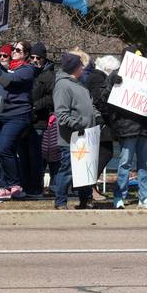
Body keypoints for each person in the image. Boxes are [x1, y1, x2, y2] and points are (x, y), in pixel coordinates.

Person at [98, 46, 147, 209]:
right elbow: (102, 98)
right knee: (125, 162)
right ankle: (119, 197)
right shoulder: (115, 75)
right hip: (126, 126)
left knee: (145, 164)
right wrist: (113, 86)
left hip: (145, 126)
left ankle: (145, 196)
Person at [0, 41, 36, 200]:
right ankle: (2, 186)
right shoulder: (8, 67)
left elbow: (9, 80)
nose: (13, 52)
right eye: (13, 49)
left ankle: (15, 185)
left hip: (18, 116)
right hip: (1, 114)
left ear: (26, 54)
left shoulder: (27, 70)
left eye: (18, 50)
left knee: (5, 149)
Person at [52, 53, 95, 209]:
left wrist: (97, 117)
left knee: (84, 170)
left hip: (86, 136)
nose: (83, 68)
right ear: (74, 68)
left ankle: (85, 200)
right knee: (68, 169)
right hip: (71, 137)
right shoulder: (63, 86)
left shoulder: (79, 85)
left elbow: (90, 106)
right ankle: (60, 201)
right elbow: (61, 113)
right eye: (80, 65)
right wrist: (76, 124)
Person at [86, 55, 119, 201]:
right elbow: (99, 100)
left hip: (98, 120)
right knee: (105, 153)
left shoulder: (93, 76)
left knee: (100, 154)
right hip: (100, 121)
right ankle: (89, 186)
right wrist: (109, 115)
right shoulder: (99, 79)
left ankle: (91, 187)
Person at [27, 41, 54, 197]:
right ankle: (27, 185)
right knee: (26, 155)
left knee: (37, 156)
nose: (35, 60)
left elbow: (51, 98)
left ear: (44, 58)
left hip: (40, 122)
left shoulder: (49, 75)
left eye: (39, 57)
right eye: (33, 57)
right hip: (26, 119)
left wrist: (36, 106)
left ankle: (36, 187)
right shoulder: (28, 72)